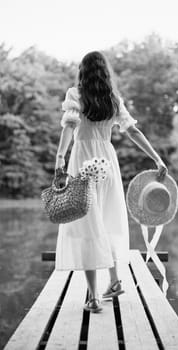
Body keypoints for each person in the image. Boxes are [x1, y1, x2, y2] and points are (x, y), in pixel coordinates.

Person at [55, 51, 168, 313]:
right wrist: (157, 159)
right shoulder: (113, 100)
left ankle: (94, 297)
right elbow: (133, 131)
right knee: (104, 222)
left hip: (83, 160)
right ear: (105, 72)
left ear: (83, 71)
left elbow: (69, 127)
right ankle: (115, 281)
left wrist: (60, 157)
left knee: (87, 226)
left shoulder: (76, 95)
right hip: (107, 162)